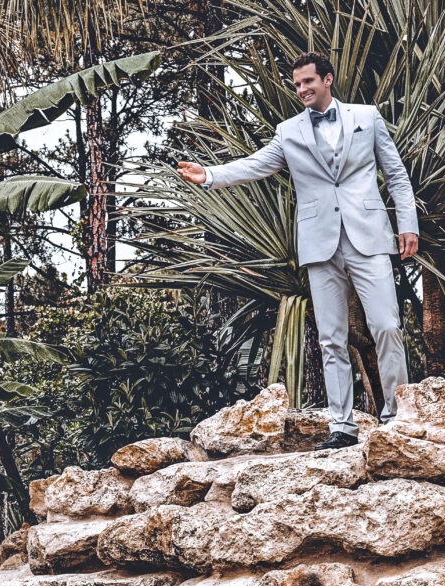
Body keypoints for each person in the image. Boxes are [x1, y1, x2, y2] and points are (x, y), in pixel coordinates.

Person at [177, 50, 419, 449]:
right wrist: (210, 176)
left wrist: (407, 224)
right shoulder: (288, 131)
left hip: (370, 236)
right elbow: (257, 164)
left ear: (327, 79)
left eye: (308, 81)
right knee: (331, 338)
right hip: (319, 243)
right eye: (296, 85)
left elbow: (395, 174)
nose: (302, 89)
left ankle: (397, 416)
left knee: (387, 326)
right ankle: (342, 426)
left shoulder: (366, 117)